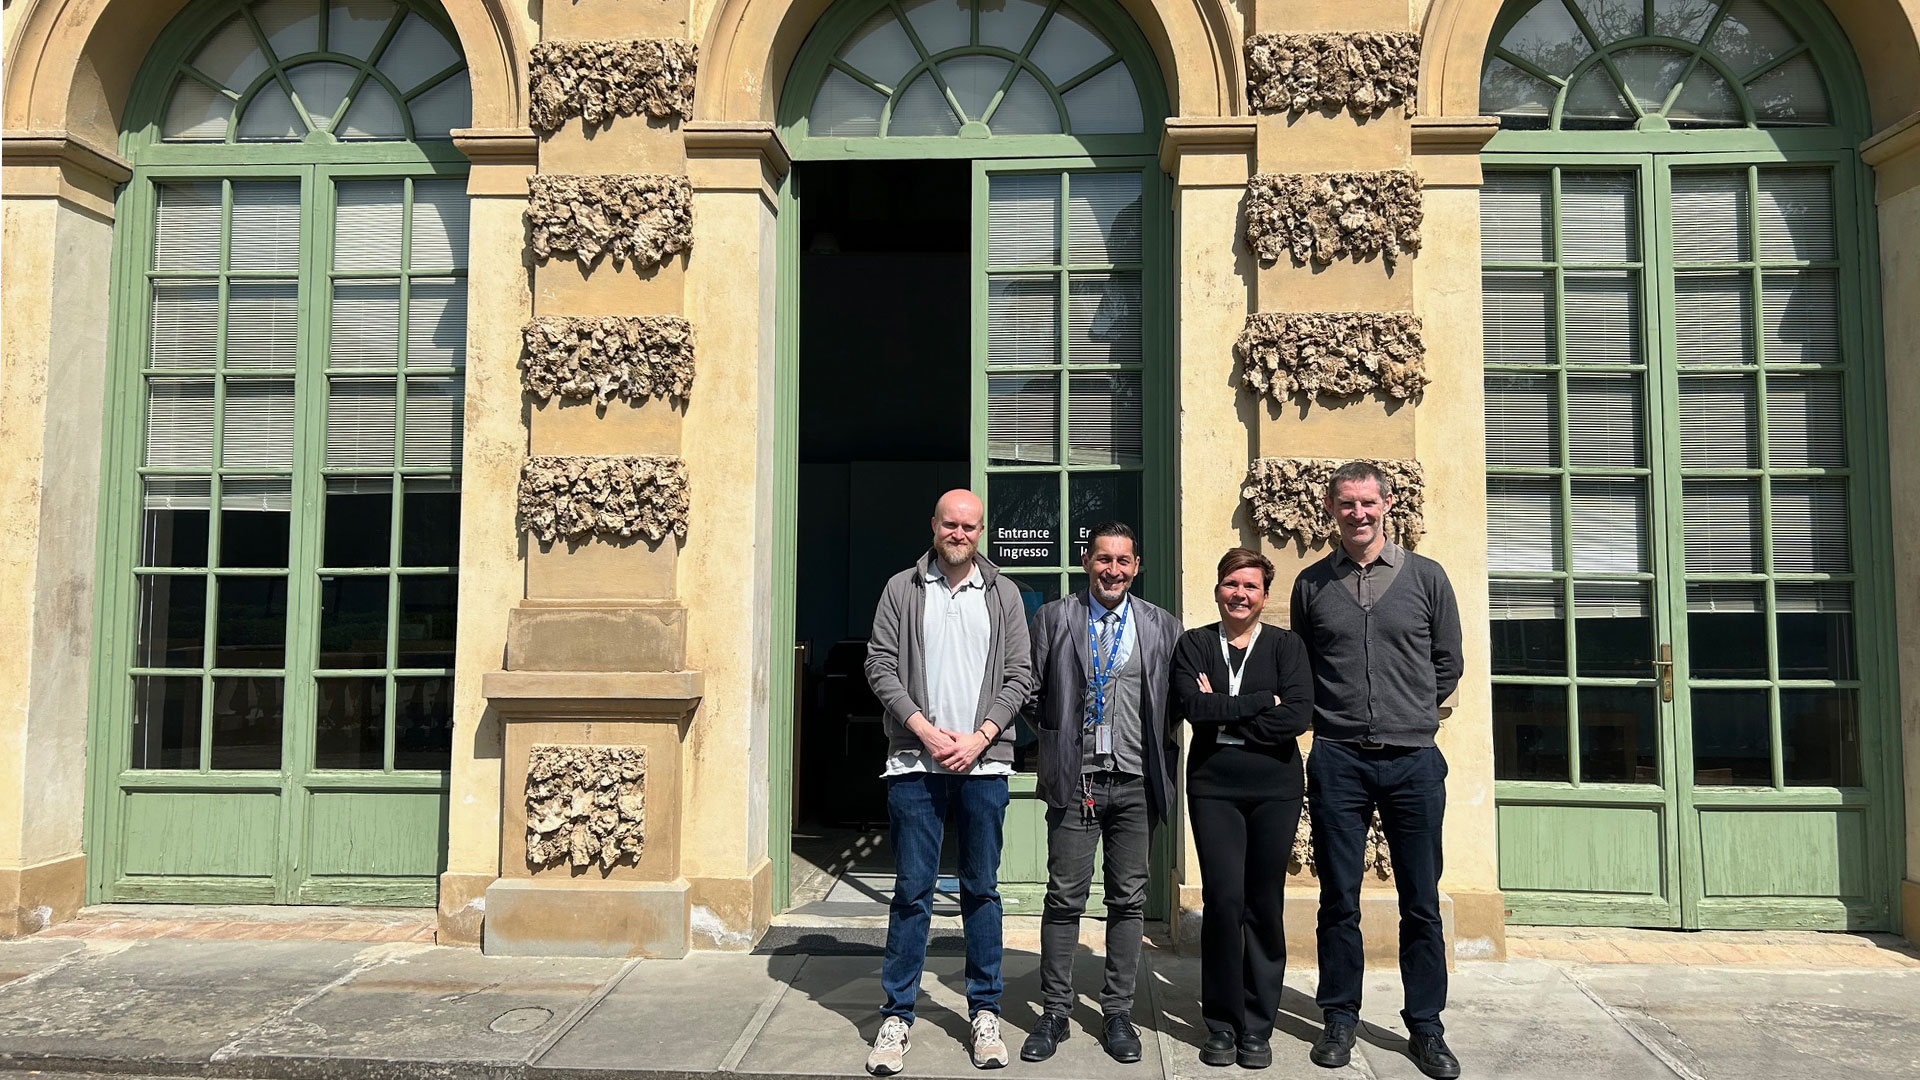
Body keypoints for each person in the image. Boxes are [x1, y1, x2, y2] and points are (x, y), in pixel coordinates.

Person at [1289, 462, 1464, 1080]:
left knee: (1421, 900)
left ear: (1387, 505)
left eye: (1367, 503)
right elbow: (1304, 667)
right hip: (1338, 758)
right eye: (1346, 504)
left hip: (1414, 759)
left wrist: (1410, 712)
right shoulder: (1311, 584)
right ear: (1330, 509)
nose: (1357, 514)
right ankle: (1339, 1017)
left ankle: (1427, 1027)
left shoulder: (1427, 577)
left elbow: (1448, 661)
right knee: (1338, 897)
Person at [863, 489, 1036, 1076]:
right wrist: (923, 730)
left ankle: (984, 1010)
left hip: (983, 765)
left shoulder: (1003, 593)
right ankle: (897, 1015)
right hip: (916, 763)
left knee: (981, 890)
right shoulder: (901, 589)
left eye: (969, 525)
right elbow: (879, 665)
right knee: (912, 891)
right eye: (950, 524)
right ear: (933, 526)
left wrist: (980, 736)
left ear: (981, 531)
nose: (959, 533)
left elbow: (1020, 675)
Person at [1019, 521, 1183, 1065]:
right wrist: (1057, 738)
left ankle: (1117, 1013)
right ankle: (1054, 1012)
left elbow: (1174, 702)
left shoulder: (1162, 626)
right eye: (1103, 559)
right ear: (1088, 562)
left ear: (1136, 567)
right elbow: (1030, 690)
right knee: (1064, 898)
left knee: (1128, 901)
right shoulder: (1055, 617)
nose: (1113, 570)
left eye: (1123, 561)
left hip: (1136, 784)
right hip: (1076, 783)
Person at [1171, 548, 1313, 1070]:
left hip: (1275, 790)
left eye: (1250, 586)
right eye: (1232, 584)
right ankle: (1222, 1023)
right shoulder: (1194, 644)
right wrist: (1259, 702)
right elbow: (1193, 708)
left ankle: (1257, 1024)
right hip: (1214, 789)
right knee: (1224, 902)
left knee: (1263, 903)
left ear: (1264, 596)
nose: (1240, 594)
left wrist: (1225, 715)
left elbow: (1297, 715)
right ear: (1217, 590)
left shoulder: (1286, 646)